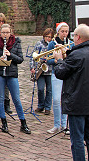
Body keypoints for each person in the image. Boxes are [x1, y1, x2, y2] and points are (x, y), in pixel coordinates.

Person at [52, 24, 89, 161]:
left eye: (74, 36)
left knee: (77, 139)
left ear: (78, 37)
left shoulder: (76, 55)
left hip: (77, 103)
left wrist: (59, 60)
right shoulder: (76, 54)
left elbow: (60, 73)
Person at [0, 24, 31, 134]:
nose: (5, 35)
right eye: (3, 33)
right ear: (0, 33)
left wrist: (10, 55)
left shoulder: (16, 42)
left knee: (16, 99)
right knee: (0, 98)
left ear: (10, 33)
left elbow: (20, 59)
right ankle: (4, 123)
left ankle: (23, 123)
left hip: (11, 74)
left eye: (7, 33)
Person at [46, 22, 73, 134]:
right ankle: (56, 125)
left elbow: (73, 59)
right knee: (56, 100)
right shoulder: (52, 43)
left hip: (67, 74)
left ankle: (64, 125)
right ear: (58, 32)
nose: (64, 34)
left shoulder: (70, 43)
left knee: (65, 99)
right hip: (56, 73)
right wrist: (56, 60)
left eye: (66, 31)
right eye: (62, 31)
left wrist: (66, 55)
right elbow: (48, 59)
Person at [29, 28, 54, 115]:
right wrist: (32, 67)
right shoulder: (39, 44)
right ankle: (40, 105)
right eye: (47, 36)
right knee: (40, 89)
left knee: (49, 90)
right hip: (40, 70)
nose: (48, 39)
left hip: (50, 69)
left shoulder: (53, 44)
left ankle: (47, 107)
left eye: (50, 37)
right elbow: (33, 56)